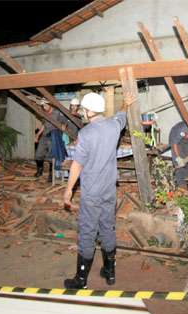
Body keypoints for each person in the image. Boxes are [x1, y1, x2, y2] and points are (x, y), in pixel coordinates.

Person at [62, 91, 134, 289]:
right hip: (109, 190)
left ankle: (81, 280)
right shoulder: (113, 126)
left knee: (87, 232)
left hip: (92, 193)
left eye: (84, 109)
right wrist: (126, 103)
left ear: (89, 111)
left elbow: (77, 165)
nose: (83, 113)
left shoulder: (86, 134)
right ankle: (110, 273)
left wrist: (69, 190)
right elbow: (121, 115)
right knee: (107, 228)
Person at [35, 101, 71, 182]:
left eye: (45, 105)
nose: (44, 107)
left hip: (53, 136)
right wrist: (37, 135)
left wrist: (63, 126)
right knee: (38, 154)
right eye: (43, 106)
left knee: (51, 156)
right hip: (44, 136)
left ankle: (51, 175)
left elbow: (65, 121)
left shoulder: (57, 113)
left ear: (50, 104)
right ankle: (39, 171)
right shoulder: (44, 113)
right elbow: (44, 125)